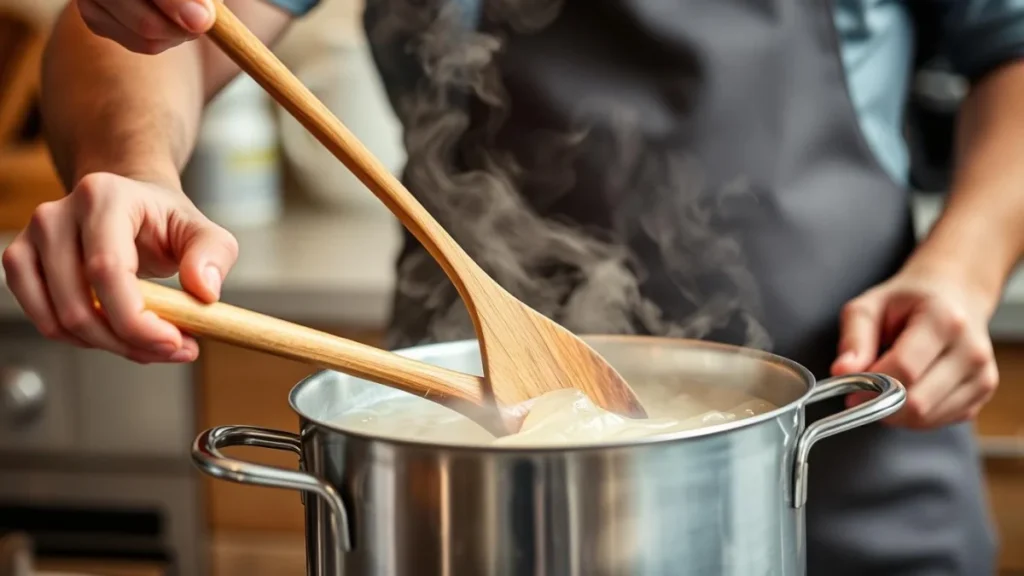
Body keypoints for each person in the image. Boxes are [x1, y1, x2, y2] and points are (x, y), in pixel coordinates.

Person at [4, 0, 1024, 573]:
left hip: (848, 454)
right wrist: (130, 164)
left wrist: (961, 267)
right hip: (455, 509)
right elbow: (137, 35)